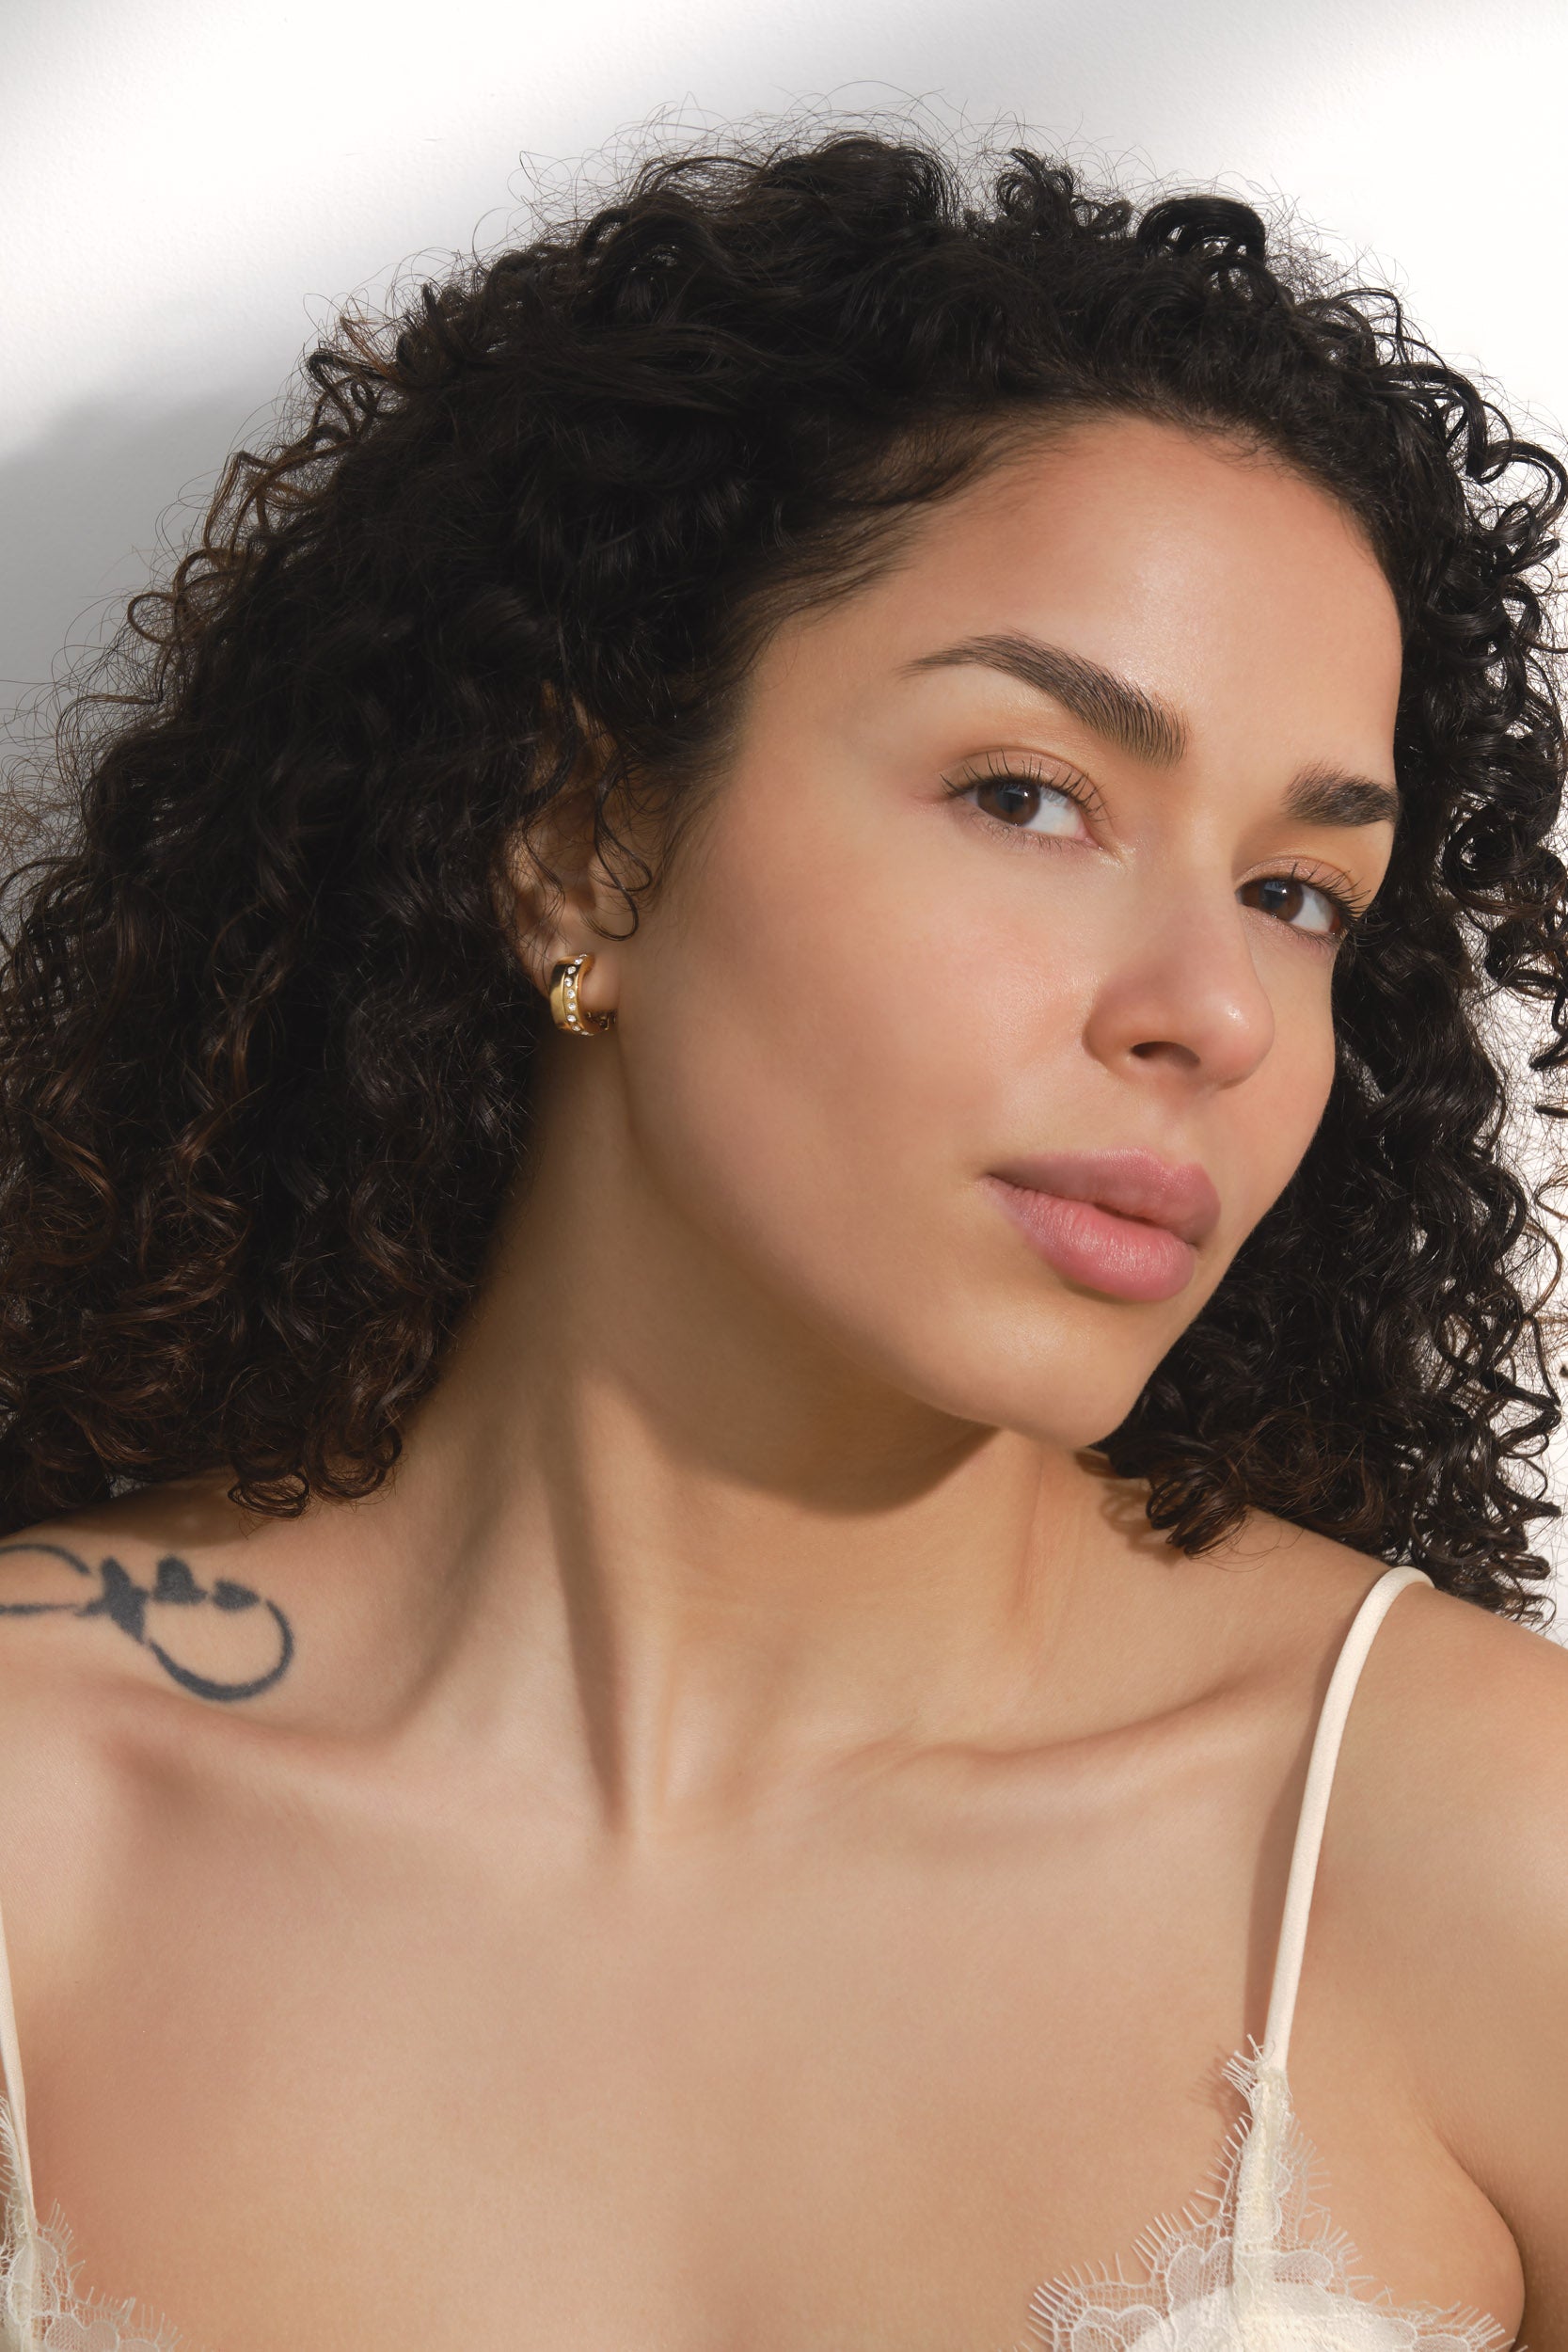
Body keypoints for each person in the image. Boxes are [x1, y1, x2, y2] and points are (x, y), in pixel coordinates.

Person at [0, 120, 1563, 2352]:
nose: (1212, 1008)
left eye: (1300, 891)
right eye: (1031, 794)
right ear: (581, 845)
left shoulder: (1473, 1844)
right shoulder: (33, 1826)